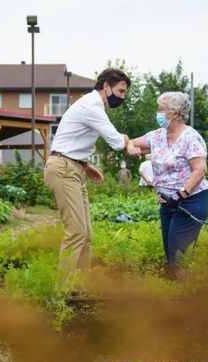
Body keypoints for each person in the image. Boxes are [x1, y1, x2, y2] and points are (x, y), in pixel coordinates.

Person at [44, 68, 141, 272]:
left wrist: (86, 166)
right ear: (106, 86)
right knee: (76, 232)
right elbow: (115, 140)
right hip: (63, 170)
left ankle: (81, 285)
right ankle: (63, 291)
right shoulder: (91, 105)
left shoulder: (93, 106)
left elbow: (69, 141)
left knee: (86, 234)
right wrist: (129, 144)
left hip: (74, 168)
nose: (122, 97)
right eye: (121, 91)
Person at [131, 92, 208, 281]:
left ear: (174, 113)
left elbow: (200, 170)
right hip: (166, 201)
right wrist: (132, 148)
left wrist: (180, 195)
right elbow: (132, 142)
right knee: (169, 247)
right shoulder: (157, 136)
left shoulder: (190, 138)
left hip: (189, 200)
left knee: (179, 250)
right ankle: (175, 292)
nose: (158, 113)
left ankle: (186, 296)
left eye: (161, 109)